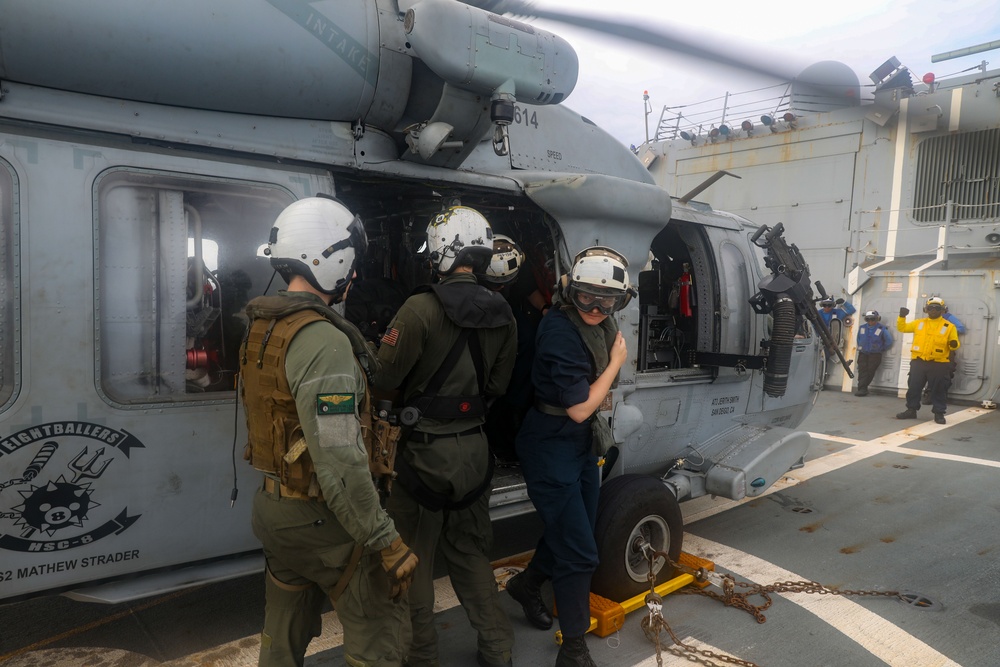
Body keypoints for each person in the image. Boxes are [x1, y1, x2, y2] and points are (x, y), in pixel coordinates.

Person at [240, 196, 417, 667]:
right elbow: (339, 461)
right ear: (333, 262)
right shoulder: (323, 342)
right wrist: (385, 540)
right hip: (324, 521)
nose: (354, 275)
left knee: (281, 636)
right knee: (380, 635)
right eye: (352, 265)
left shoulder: (263, 327)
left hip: (274, 510)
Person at [373, 206, 517, 667]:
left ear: (439, 252)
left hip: (421, 456)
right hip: (475, 453)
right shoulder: (505, 313)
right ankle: (497, 648)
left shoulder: (418, 309)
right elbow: (496, 387)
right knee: (470, 554)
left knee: (413, 561)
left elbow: (383, 377)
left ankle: (423, 658)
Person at [507, 247, 632, 667]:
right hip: (551, 442)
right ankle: (574, 649)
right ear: (571, 294)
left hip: (581, 442)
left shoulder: (595, 319)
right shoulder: (560, 331)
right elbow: (580, 406)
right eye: (586, 298)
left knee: (576, 529)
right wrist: (615, 362)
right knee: (579, 551)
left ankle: (528, 585)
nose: (596, 308)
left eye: (608, 300)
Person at [481, 234, 543, 464]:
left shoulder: (513, 262)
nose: (499, 287)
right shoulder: (477, 267)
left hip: (512, 324)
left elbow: (528, 289)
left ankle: (512, 415)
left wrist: (545, 309)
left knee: (527, 340)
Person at [896, 296, 960, 424]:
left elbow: (955, 343)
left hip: (939, 363)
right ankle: (911, 410)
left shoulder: (949, 326)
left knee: (938, 389)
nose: (933, 310)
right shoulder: (919, 323)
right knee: (914, 387)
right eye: (931, 308)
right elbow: (902, 328)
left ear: (942, 310)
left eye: (937, 308)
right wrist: (901, 317)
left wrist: (953, 344)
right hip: (918, 362)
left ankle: (939, 413)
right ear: (926, 309)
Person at [854, 310, 893, 396]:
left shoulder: (882, 329)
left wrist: (881, 348)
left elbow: (889, 341)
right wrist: (862, 346)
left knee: (870, 371)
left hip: (875, 354)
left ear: (877, 319)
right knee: (862, 370)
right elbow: (859, 339)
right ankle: (862, 389)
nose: (871, 321)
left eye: (873, 319)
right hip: (863, 353)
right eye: (868, 319)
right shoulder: (862, 328)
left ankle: (863, 388)